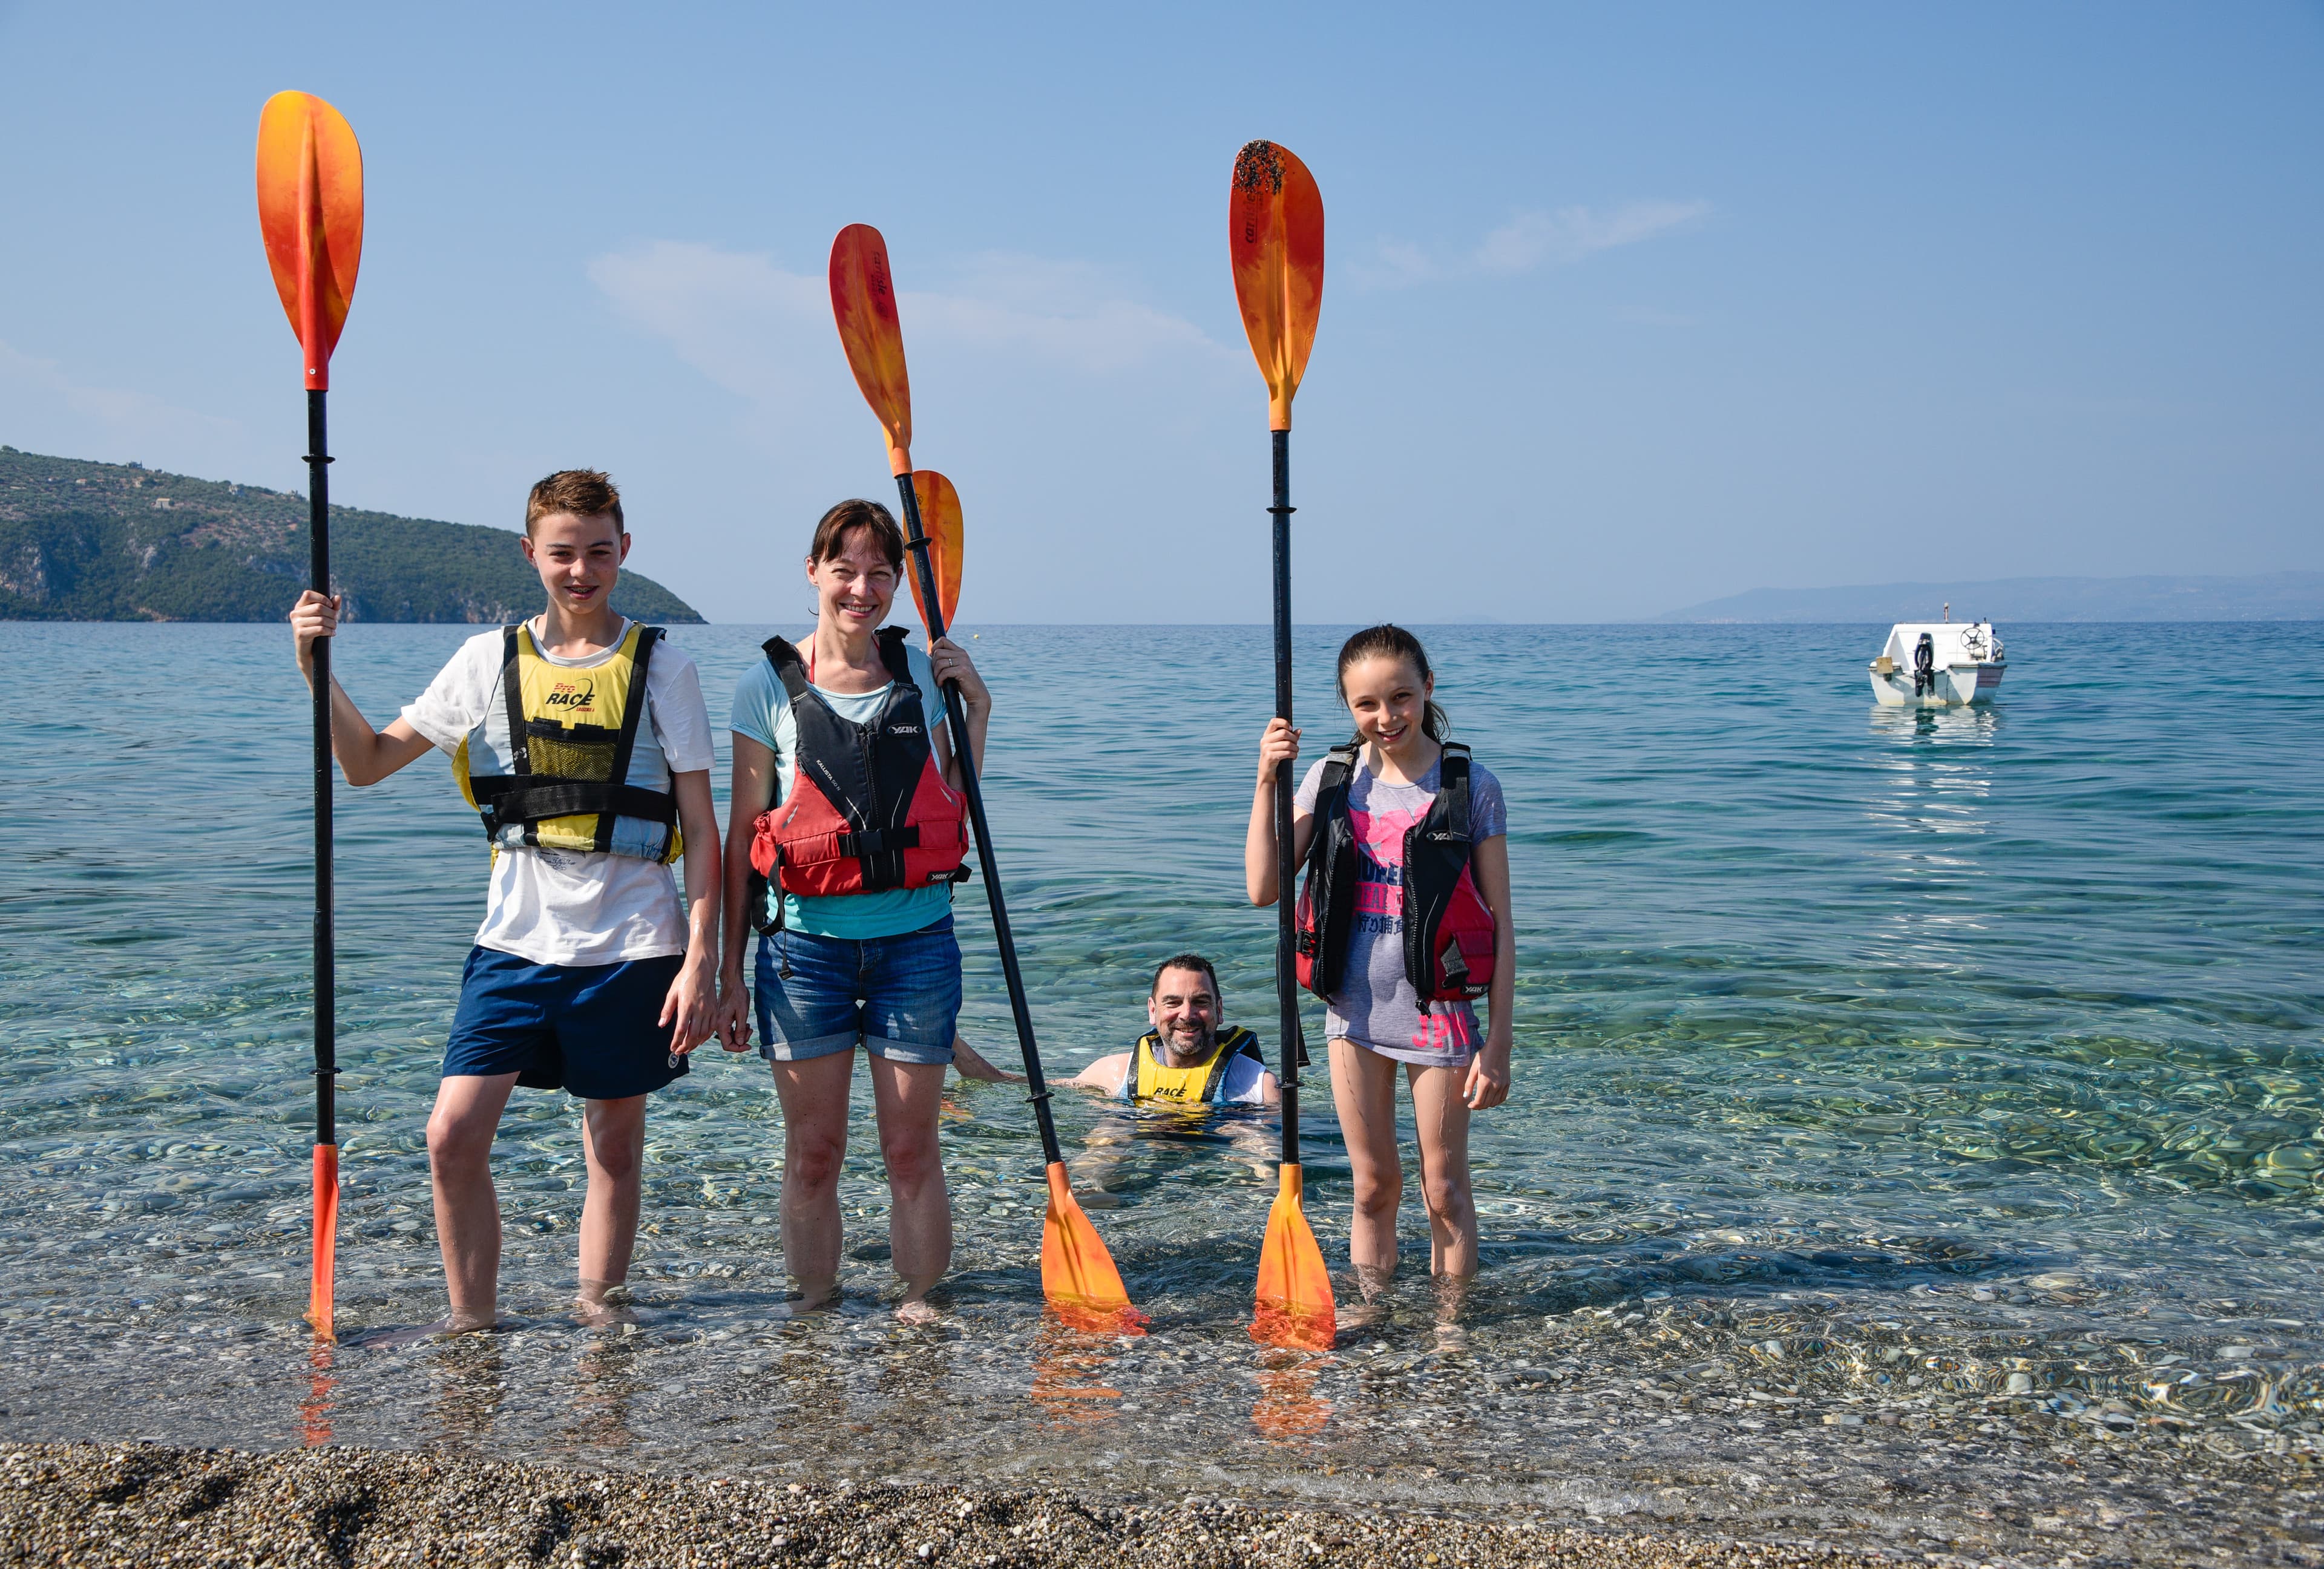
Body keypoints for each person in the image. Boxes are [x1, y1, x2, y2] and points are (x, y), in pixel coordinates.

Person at [288, 469, 721, 1332]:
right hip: (514, 945)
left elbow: (704, 831)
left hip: (633, 944)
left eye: (599, 551)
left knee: (614, 1146)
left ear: (625, 551)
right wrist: (316, 667)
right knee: (451, 1136)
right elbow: (366, 763)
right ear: (530, 553)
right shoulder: (485, 661)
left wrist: (702, 959)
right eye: (562, 552)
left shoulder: (666, 669)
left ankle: (599, 1322)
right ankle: (472, 1326)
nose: (581, 570)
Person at [715, 498, 991, 1323]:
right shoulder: (765, 687)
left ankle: (921, 1304)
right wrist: (728, 973)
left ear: (899, 582)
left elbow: (955, 801)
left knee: (910, 1149)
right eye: (844, 570)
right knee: (814, 1153)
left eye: (879, 573)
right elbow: (740, 836)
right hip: (804, 955)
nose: (861, 589)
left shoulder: (922, 677)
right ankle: (813, 1309)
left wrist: (977, 711)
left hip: (917, 945)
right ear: (814, 573)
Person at [1247, 624, 1515, 1326]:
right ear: (1347, 705)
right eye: (1367, 703)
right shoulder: (1331, 779)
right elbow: (1264, 886)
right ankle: (1374, 1314)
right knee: (1372, 1186)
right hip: (1354, 1013)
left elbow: (1502, 924)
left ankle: (1450, 1329)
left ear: (1428, 687)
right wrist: (1267, 778)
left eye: (1401, 697)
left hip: (1440, 1017)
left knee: (1444, 1189)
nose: (1387, 716)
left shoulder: (1471, 788)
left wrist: (1499, 1044)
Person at [1069, 953, 1278, 1107]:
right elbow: (1056, 1094)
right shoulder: (1112, 1074)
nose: (1186, 1014)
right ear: (1153, 1011)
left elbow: (1273, 1146)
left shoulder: (1259, 1087)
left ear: (1219, 1010)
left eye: (1201, 1002)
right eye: (1173, 1003)